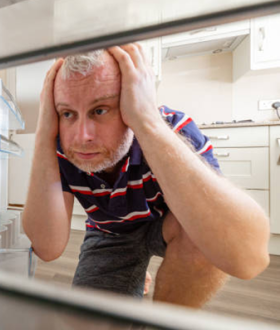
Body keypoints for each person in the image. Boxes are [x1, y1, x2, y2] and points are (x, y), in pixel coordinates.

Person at [22, 43, 271, 308]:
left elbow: (248, 259)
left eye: (100, 110)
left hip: (171, 226)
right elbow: (48, 248)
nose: (82, 136)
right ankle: (136, 273)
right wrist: (43, 133)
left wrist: (146, 120)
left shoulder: (173, 128)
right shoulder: (63, 146)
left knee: (203, 235)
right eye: (67, 113)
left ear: (133, 99)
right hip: (109, 234)